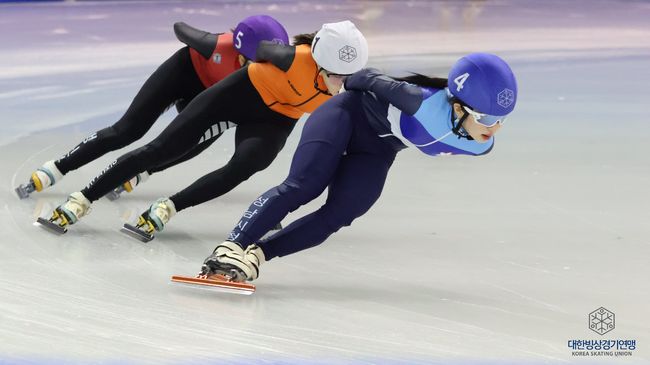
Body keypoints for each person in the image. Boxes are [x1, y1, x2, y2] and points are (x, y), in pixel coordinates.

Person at [198, 53, 518, 283]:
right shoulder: (417, 101)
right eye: (488, 119)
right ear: (460, 107)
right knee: (305, 185)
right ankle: (231, 247)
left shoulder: (480, 144)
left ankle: (256, 255)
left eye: (502, 119)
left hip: (378, 147)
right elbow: (364, 77)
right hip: (346, 116)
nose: (494, 129)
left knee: (343, 212)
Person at [40, 20, 369, 237]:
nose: (342, 85)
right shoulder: (286, 57)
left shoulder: (348, 79)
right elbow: (243, 44)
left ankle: (167, 206)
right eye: (339, 76)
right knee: (160, 150)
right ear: (321, 60)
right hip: (234, 97)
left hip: (273, 120)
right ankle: (82, 198)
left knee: (242, 168)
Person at [16, 15, 289, 200]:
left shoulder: (274, 68)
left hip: (214, 97)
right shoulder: (214, 46)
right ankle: (59, 167)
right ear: (240, 54)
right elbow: (181, 29)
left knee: (191, 143)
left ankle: (143, 172)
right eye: (257, 62)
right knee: (126, 131)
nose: (266, 69)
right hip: (183, 73)